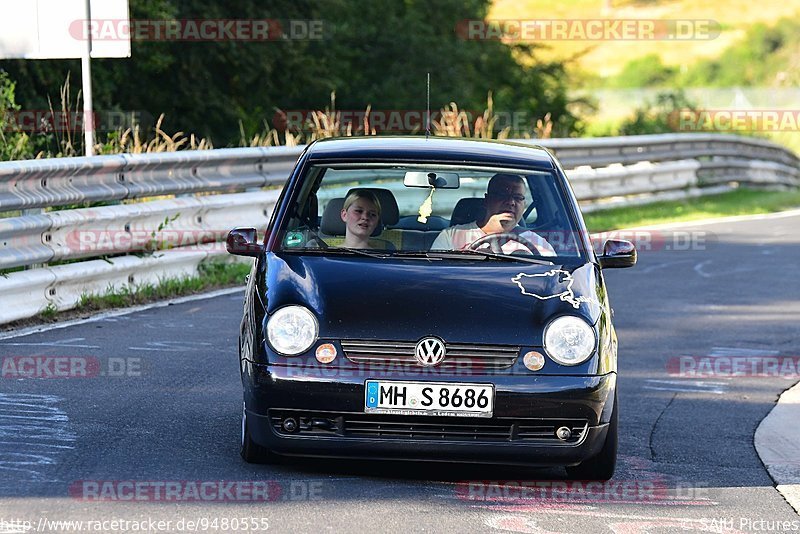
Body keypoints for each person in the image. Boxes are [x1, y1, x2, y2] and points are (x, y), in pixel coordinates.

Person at [431, 173, 556, 256]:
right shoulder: (451, 236)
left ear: (524, 204)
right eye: (503, 196)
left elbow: (553, 278)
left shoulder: (537, 243)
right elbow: (436, 275)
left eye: (517, 198)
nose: (511, 202)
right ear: (487, 200)